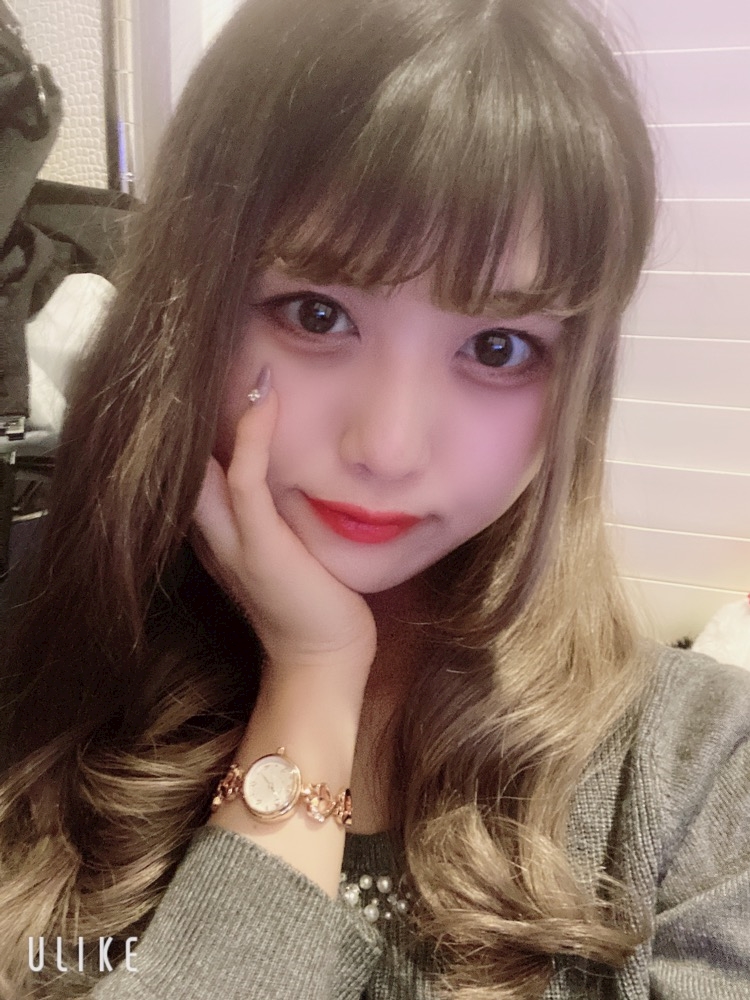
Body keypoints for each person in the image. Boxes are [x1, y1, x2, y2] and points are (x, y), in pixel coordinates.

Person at [1, 0, 749, 997]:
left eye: (498, 346)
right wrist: (313, 684)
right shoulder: (35, 693)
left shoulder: (705, 776)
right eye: (316, 313)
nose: (389, 448)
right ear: (186, 313)